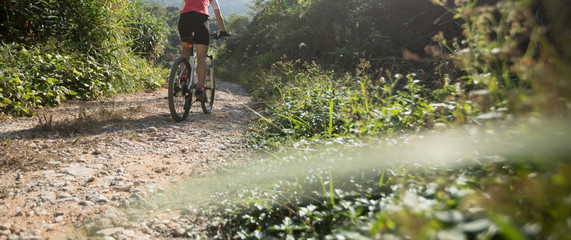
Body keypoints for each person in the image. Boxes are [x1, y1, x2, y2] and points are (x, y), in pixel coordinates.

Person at [178, 0, 230, 102]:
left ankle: (183, 77)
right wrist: (223, 31)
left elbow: (181, 12)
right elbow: (218, 15)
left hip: (184, 20)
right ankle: (200, 89)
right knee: (201, 57)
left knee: (185, 48)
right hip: (200, 20)